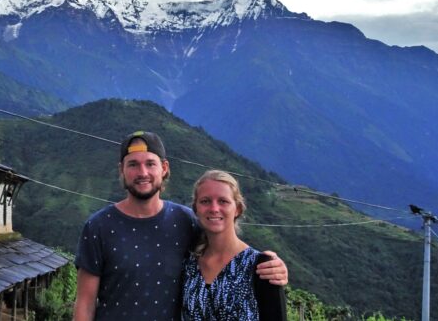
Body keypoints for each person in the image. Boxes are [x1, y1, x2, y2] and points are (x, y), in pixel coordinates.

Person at [74, 131, 288, 320]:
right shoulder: (99, 227)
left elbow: (223, 245)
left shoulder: (185, 221)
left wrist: (271, 265)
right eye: (133, 164)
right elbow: (84, 304)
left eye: (150, 163)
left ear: (164, 168)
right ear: (122, 169)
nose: (143, 173)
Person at [182, 170, 286, 320]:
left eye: (223, 201)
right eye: (205, 201)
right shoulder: (188, 264)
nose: (214, 208)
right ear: (196, 209)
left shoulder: (260, 267)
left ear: (237, 209)